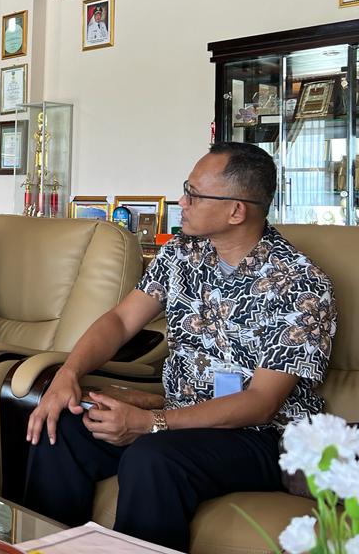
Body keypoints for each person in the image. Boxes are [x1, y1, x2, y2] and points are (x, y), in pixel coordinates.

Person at [23, 142, 336, 552]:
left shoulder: (300, 284)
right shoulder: (182, 254)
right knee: (63, 426)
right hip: (178, 414)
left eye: (194, 194)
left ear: (236, 211)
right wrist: (68, 374)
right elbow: (120, 321)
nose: (181, 202)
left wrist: (150, 423)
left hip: (260, 438)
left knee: (154, 457)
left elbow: (261, 403)